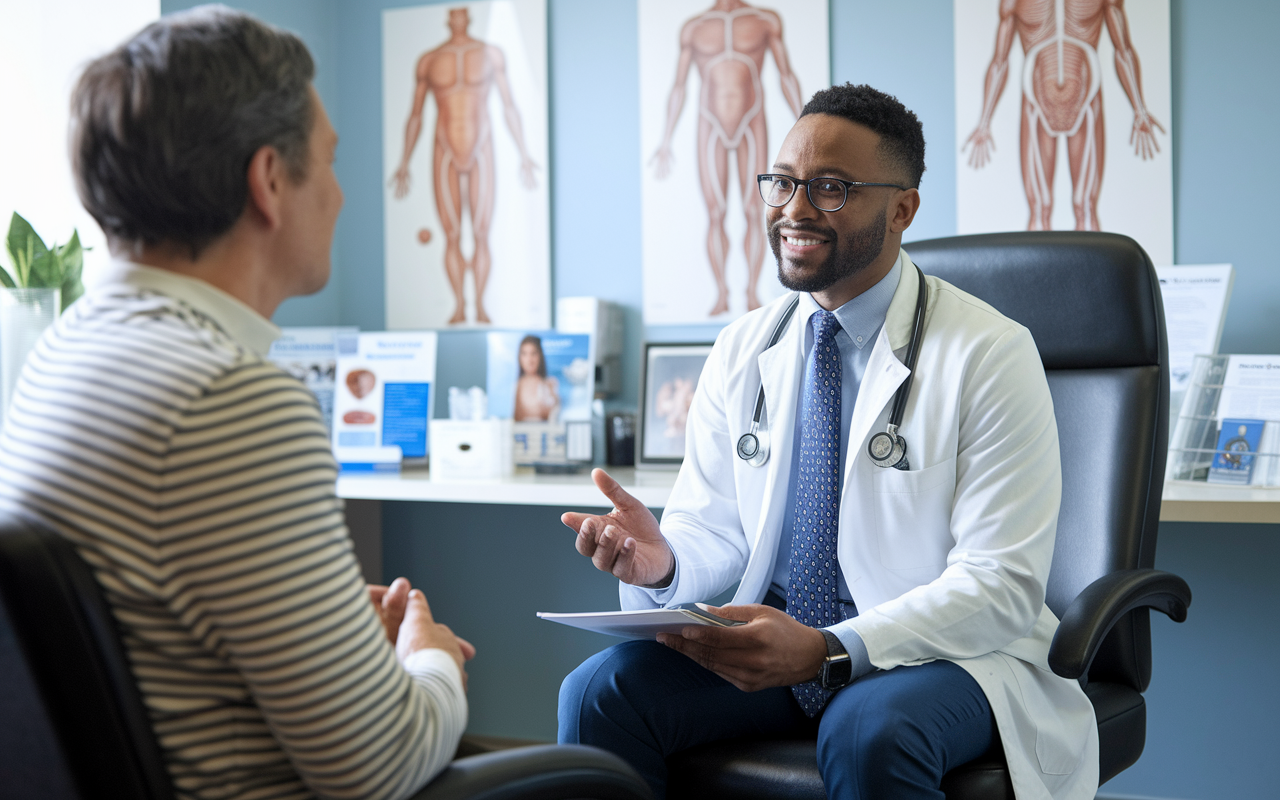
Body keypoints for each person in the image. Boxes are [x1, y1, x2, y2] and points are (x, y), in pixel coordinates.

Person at [559, 83, 1098, 800]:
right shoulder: (743, 347)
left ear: (902, 208)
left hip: (943, 654)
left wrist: (829, 649)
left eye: (832, 188)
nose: (795, 209)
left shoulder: (990, 353)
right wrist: (662, 567)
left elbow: (1000, 584)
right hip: (776, 641)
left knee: (870, 730)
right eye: (782, 183)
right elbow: (716, 526)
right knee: (599, 692)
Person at [0, 9, 471, 800]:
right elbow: (378, 768)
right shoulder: (231, 399)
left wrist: (317, 613)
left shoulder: (65, 350)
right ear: (269, 182)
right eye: (330, 163)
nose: (343, 196)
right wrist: (431, 656)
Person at [651, 0, 802, 316]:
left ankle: (750, 292)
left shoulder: (765, 20)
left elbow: (785, 74)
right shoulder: (695, 27)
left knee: (754, 210)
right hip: (710, 122)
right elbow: (679, 87)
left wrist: (806, 122)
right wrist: (665, 139)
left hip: (752, 118)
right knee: (716, 211)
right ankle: (721, 294)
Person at [390, 6, 539, 325]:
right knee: (452, 233)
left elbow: (510, 105)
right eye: (453, 12)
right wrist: (404, 161)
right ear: (448, 19)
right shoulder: (429, 60)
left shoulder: (492, 53)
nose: (458, 16)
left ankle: (481, 307)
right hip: (443, 143)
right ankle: (459, 306)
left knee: (483, 231)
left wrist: (525, 152)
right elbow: (415, 114)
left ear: (468, 18)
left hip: (482, 143)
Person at [963, 0, 1164, 231]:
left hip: (1085, 98)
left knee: (1085, 206)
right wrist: (984, 122)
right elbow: (999, 60)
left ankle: (1091, 268)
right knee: (1039, 208)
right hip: (1037, 101)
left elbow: (1124, 48)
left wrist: (1140, 110)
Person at [514, 334, 560, 422]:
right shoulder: (517, 386)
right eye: (524, 354)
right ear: (519, 357)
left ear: (540, 356)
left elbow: (556, 415)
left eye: (533, 354)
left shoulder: (551, 383)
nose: (529, 360)